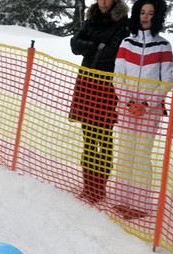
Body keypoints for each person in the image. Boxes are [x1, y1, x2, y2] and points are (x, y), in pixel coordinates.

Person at [111, 0, 173, 220]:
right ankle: (121, 200)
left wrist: (146, 104)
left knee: (141, 155)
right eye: (142, 12)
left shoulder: (163, 45)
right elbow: (117, 77)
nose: (146, 17)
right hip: (126, 109)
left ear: (157, 16)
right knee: (126, 151)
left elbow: (166, 81)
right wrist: (129, 102)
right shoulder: (126, 43)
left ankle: (139, 205)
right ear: (137, 14)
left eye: (150, 13)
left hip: (150, 112)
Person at [70, 0, 130, 204]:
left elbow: (112, 52)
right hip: (86, 84)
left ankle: (100, 187)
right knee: (88, 138)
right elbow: (74, 45)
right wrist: (96, 46)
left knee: (104, 138)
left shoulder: (123, 23)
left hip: (107, 87)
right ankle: (88, 186)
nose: (103, 2)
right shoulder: (91, 19)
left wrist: (89, 47)